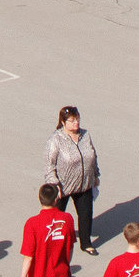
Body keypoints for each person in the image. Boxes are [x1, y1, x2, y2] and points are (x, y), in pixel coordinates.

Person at [43, 107, 100, 253]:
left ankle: (86, 243)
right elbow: (49, 165)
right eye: (72, 120)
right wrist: (55, 186)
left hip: (83, 183)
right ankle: (52, 243)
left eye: (78, 119)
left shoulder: (85, 135)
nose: (76, 123)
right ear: (63, 122)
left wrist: (95, 175)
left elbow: (93, 156)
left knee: (86, 214)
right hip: (63, 186)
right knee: (56, 217)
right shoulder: (56, 139)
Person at [18, 185, 76, 277]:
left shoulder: (32, 224)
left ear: (40, 199)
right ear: (56, 199)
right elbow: (70, 248)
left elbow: (28, 257)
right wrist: (66, 266)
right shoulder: (67, 219)